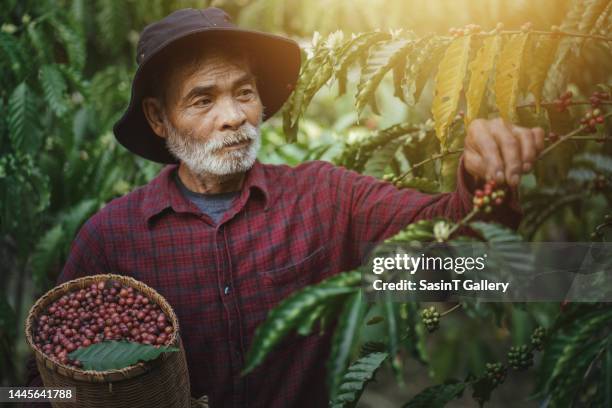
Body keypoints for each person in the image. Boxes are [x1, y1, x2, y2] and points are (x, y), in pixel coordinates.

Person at [25, 7, 544, 408]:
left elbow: (464, 267)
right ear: (159, 118)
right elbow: (39, 386)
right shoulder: (112, 238)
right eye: (203, 100)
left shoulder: (325, 199)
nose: (233, 116)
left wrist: (481, 177)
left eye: (244, 93)